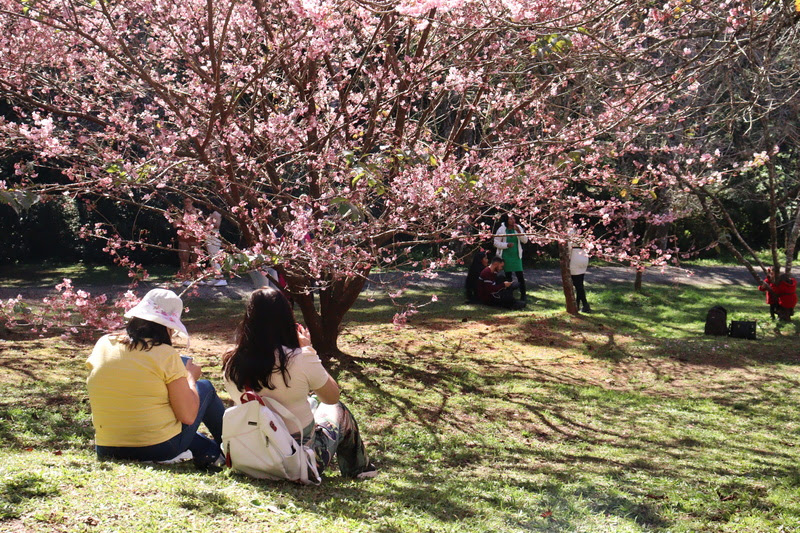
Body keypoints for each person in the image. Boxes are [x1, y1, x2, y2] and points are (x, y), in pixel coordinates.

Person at [221, 287, 376, 479]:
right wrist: (309, 350)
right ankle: (359, 469)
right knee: (338, 409)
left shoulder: (230, 360)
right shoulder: (299, 358)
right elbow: (331, 397)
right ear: (287, 318)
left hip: (250, 456)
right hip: (295, 461)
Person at [86, 289, 225, 469]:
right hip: (157, 448)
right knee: (205, 387)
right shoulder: (165, 354)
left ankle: (213, 452)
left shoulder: (104, 343)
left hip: (106, 448)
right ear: (168, 327)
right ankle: (233, 450)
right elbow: (187, 416)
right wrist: (190, 378)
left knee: (206, 446)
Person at [494, 214, 529, 302]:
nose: (513, 220)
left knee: (520, 276)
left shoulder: (518, 228)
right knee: (508, 277)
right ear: (506, 220)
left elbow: (525, 240)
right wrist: (506, 245)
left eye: (514, 218)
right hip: (506, 255)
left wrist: (519, 232)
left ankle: (523, 296)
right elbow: (496, 243)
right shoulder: (502, 229)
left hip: (516, 256)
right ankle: (509, 296)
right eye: (510, 219)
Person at [177, 198, 201, 283]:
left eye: (188, 201)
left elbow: (203, 224)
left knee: (196, 259)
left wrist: (195, 215)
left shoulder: (198, 211)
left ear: (192, 202)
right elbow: (175, 225)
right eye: (185, 201)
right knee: (184, 259)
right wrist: (181, 217)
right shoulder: (180, 211)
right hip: (183, 239)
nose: (187, 203)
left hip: (195, 238)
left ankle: (197, 278)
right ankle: (185, 279)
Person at [204, 210, 227, 286]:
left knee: (214, 257)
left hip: (214, 236)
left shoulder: (216, 213)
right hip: (210, 236)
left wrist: (205, 224)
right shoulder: (212, 213)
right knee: (211, 257)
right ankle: (216, 277)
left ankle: (222, 278)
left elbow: (217, 225)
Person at [570, 244, 591, 313]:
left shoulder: (570, 233)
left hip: (575, 258)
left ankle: (585, 304)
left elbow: (568, 247)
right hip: (584, 256)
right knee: (579, 283)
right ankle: (577, 304)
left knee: (577, 284)